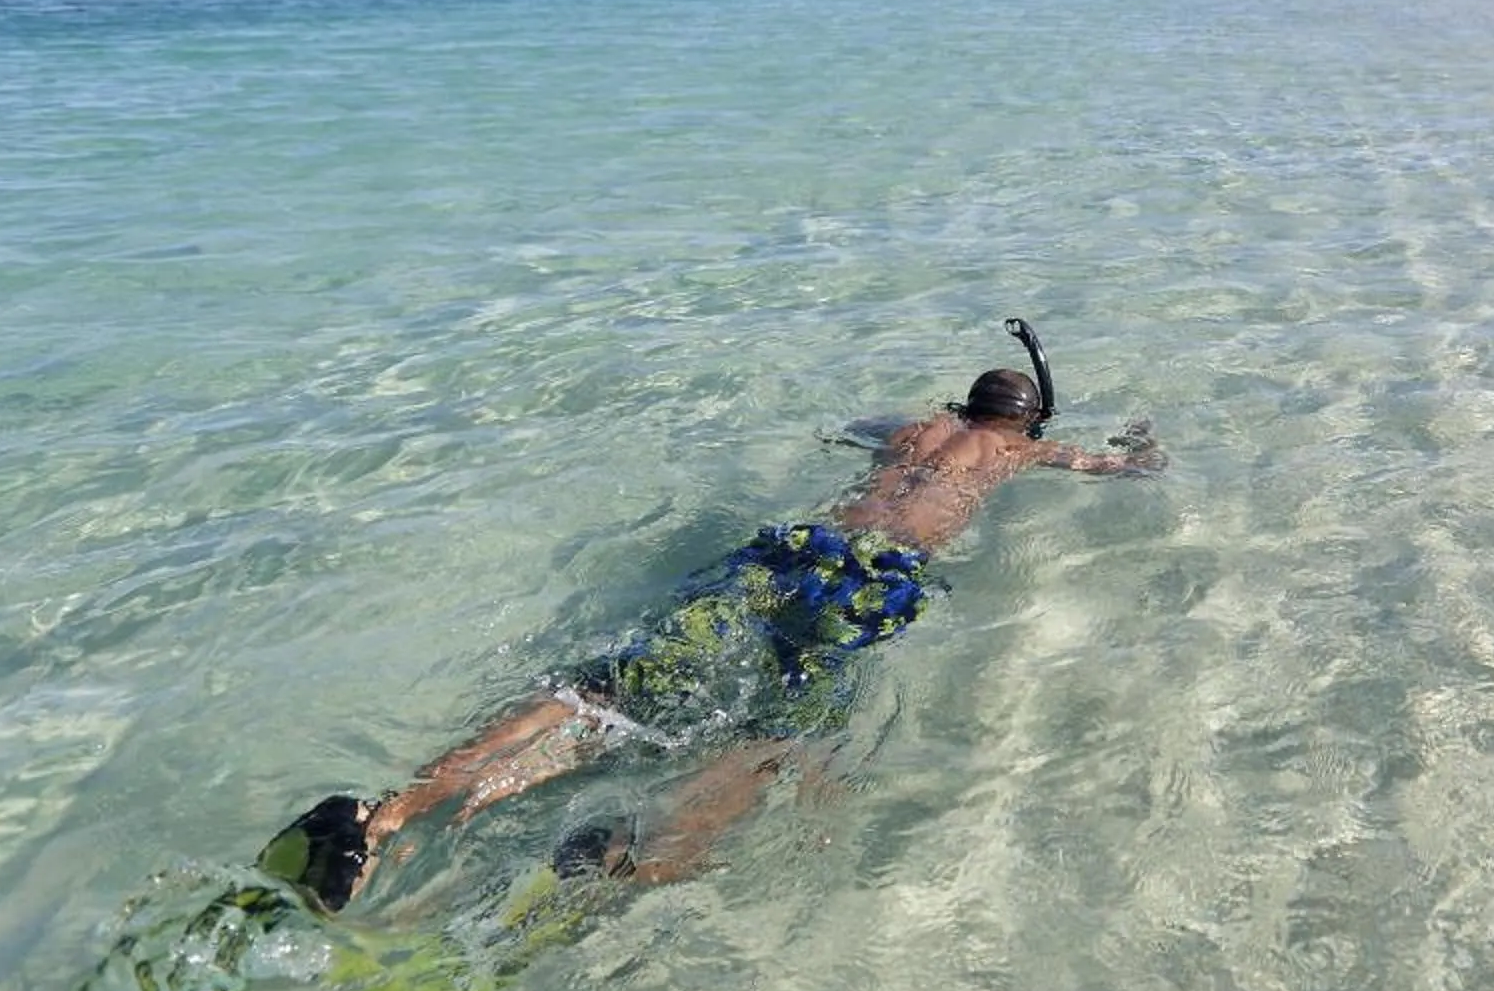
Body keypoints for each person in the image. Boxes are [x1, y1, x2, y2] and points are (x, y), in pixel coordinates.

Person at [256, 355, 1164, 912]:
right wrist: (1139, 446)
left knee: (612, 684)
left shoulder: (915, 428)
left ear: (961, 403)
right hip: (871, 577)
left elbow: (849, 427)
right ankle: (631, 855)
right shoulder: (1020, 449)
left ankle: (383, 816)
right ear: (1025, 420)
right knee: (783, 731)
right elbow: (1113, 467)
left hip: (792, 546)